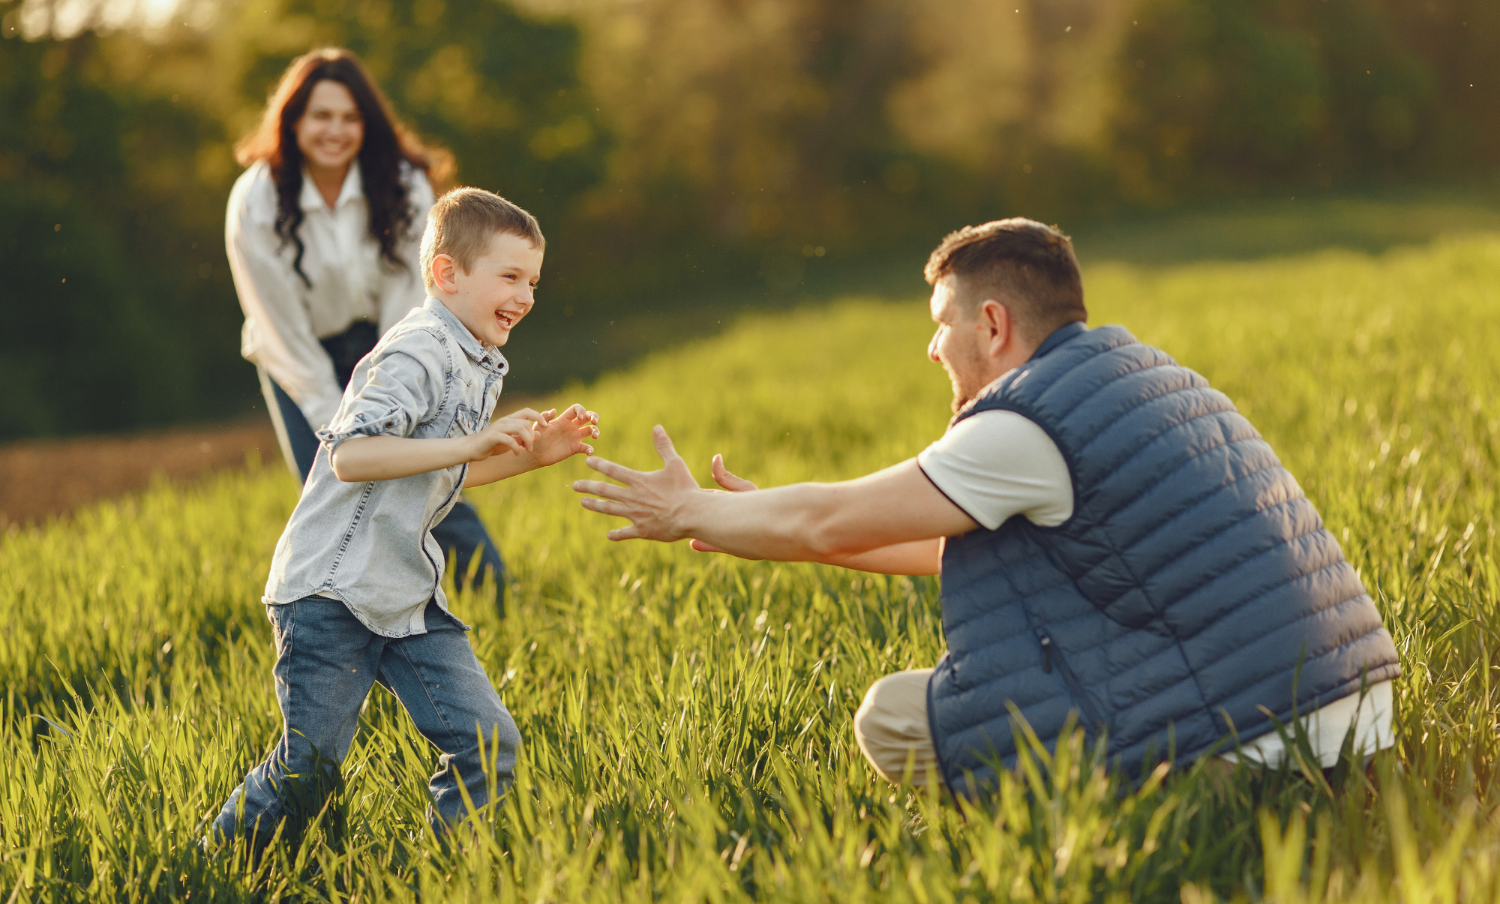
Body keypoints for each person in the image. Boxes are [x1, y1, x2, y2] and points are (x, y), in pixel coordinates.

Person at [571, 219, 1402, 794]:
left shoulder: (1025, 424)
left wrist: (688, 514)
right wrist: (763, 523)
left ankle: (1114, 826)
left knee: (893, 715)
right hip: (1352, 714)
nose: (933, 346)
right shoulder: (1140, 378)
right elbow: (932, 546)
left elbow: (828, 516)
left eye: (943, 323)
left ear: (994, 324)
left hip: (1257, 737)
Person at [209, 188, 600, 848]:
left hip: (405, 595)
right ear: (448, 274)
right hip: (330, 591)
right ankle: (207, 866)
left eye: (533, 280)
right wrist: (472, 442)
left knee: (488, 743)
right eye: (509, 276)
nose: (527, 295)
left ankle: (444, 875)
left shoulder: (478, 361)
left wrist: (532, 458)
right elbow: (352, 456)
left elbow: (441, 473)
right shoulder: (416, 350)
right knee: (309, 767)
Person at [226, 47, 508, 610]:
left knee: (426, 467)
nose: (335, 130)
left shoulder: (404, 185)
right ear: (293, 121)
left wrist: (393, 390)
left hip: (392, 342)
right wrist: (339, 420)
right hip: (298, 358)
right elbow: (278, 325)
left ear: (368, 123)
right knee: (334, 486)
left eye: (350, 117)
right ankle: (354, 614)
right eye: (320, 115)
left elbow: (414, 296)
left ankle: (500, 598)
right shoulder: (255, 200)